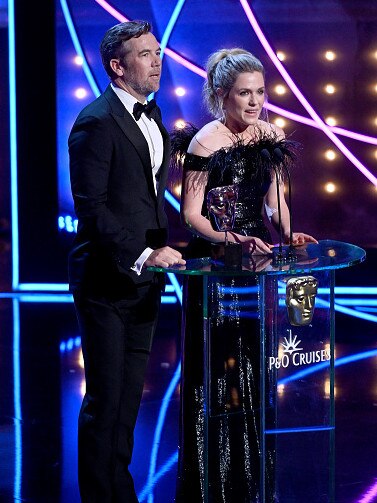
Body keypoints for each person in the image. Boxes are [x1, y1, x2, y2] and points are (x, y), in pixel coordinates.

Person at [172, 48, 317, 502]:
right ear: (221, 94)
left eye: (260, 92)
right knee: (216, 370)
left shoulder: (269, 134)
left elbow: (275, 203)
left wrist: (290, 234)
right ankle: (209, 486)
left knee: (253, 367)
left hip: (259, 265)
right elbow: (190, 215)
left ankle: (251, 485)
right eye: (244, 93)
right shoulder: (204, 142)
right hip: (217, 264)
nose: (255, 102)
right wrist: (230, 239)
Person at [68, 20, 185, 503]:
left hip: (144, 282)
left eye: (158, 52)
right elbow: (91, 210)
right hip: (105, 281)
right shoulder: (96, 122)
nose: (157, 60)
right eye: (145, 54)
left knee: (129, 400)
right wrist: (143, 253)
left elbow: (144, 204)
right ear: (117, 66)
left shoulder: (153, 118)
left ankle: (121, 492)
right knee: (105, 400)